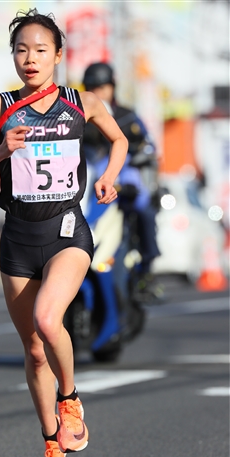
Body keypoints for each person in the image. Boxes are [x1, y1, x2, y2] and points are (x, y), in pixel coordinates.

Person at [0, 9, 127, 457]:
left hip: (67, 230)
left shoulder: (81, 102)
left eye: (39, 50)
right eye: (20, 49)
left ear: (57, 54)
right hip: (18, 237)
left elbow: (118, 141)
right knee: (34, 353)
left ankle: (70, 399)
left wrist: (110, 178)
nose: (29, 58)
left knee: (48, 321)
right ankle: (52, 442)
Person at [82, 62, 163, 302]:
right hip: (91, 186)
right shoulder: (78, 117)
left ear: (112, 88)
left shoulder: (127, 117)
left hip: (126, 182)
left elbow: (147, 147)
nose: (99, 93)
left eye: (103, 87)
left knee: (144, 211)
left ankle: (146, 271)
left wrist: (139, 164)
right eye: (93, 88)